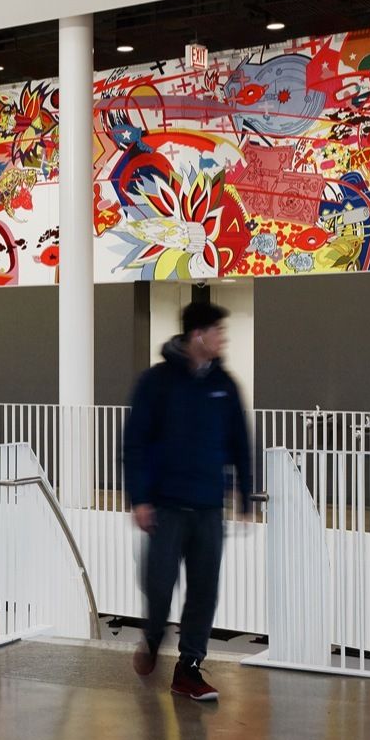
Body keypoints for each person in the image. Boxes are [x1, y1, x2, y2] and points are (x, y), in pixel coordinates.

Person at [122, 300, 252, 703]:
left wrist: (246, 495)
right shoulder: (157, 382)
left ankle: (189, 668)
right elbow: (135, 442)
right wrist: (140, 499)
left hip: (208, 508)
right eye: (217, 331)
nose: (223, 338)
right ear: (198, 335)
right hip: (166, 507)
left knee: (203, 591)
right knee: (159, 587)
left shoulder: (224, 385)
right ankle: (153, 635)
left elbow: (240, 441)